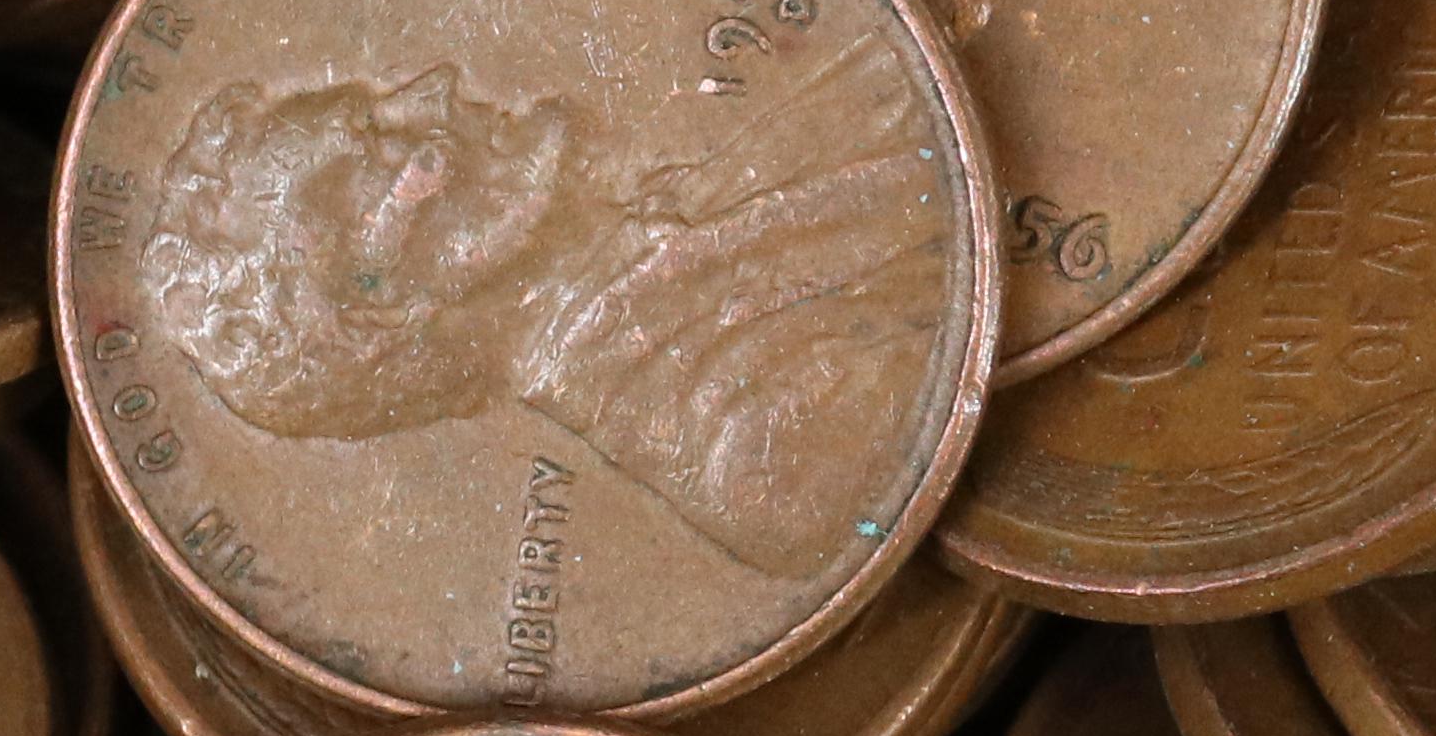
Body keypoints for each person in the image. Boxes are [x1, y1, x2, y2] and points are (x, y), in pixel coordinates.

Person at [139, 47, 958, 578]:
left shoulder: (695, 206)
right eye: (373, 145)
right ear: (381, 307)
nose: (432, 89)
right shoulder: (756, 461)